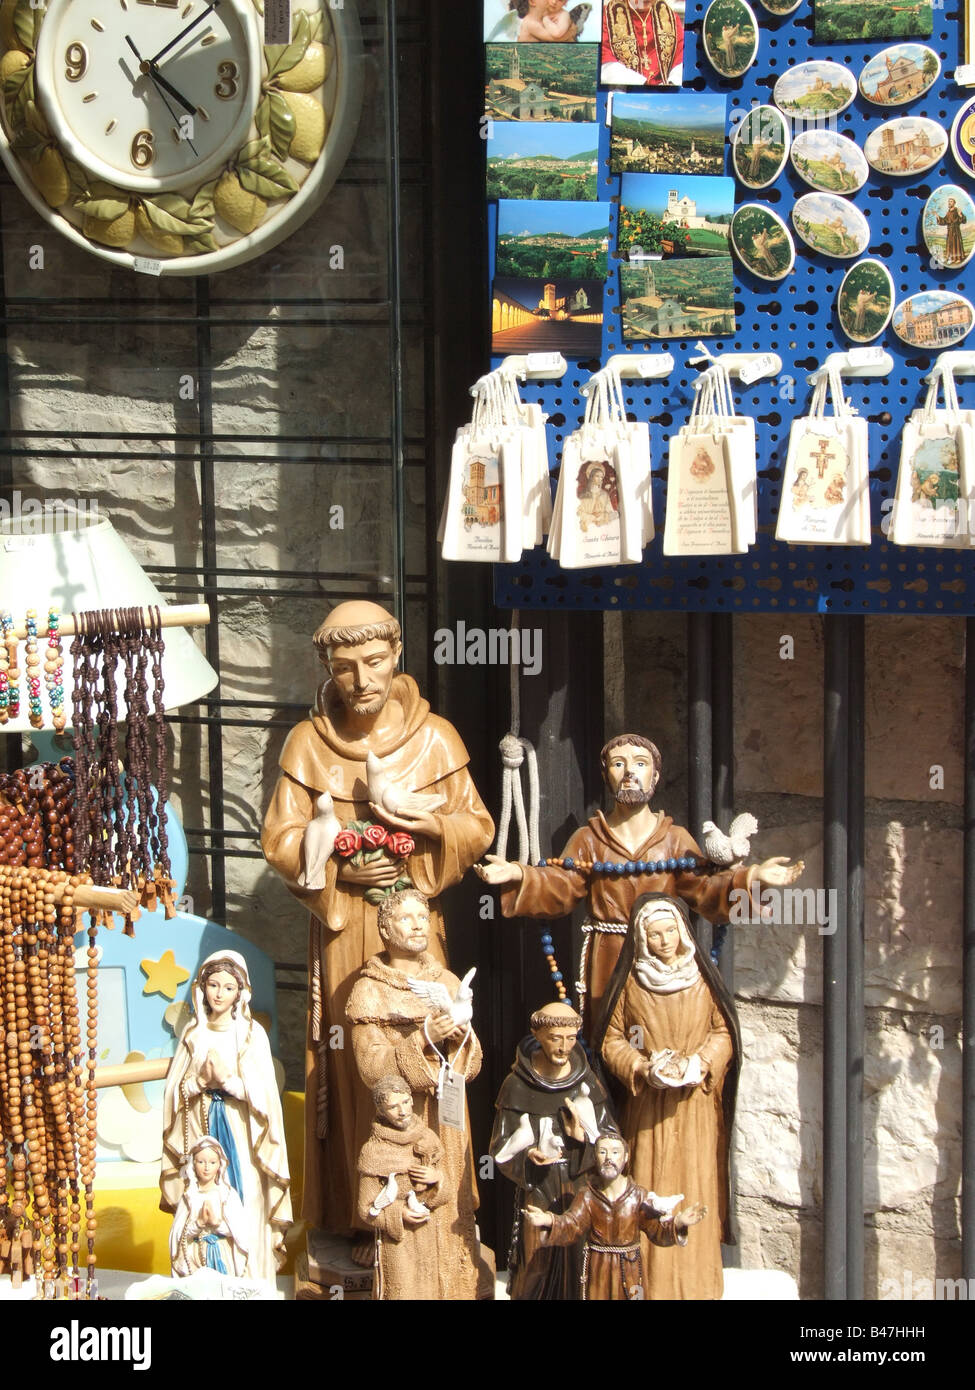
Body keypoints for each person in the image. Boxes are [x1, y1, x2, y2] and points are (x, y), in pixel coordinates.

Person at [261, 600, 493, 1241]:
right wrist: (337, 870)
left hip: (416, 926)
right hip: (343, 931)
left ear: (396, 656)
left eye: (373, 662)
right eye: (344, 668)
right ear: (328, 670)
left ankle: (438, 1204)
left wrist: (427, 833)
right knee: (349, 1052)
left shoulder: (436, 737)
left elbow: (477, 826)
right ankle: (351, 1212)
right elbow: (279, 838)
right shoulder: (307, 745)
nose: (361, 680)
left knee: (428, 1039)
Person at [478, 733, 802, 1029]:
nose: (629, 771)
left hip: (663, 956)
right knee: (609, 1036)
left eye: (640, 763)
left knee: (662, 1032)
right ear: (607, 775)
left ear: (655, 776)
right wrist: (520, 874)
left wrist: (751, 878)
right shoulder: (588, 839)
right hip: (609, 955)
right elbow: (562, 884)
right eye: (619, 764)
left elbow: (705, 889)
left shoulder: (675, 840)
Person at [595, 894, 739, 1299]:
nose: (663, 940)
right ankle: (648, 1285)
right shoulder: (631, 984)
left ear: (682, 932)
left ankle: (697, 1285)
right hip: (648, 1108)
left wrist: (700, 1064)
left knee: (696, 1184)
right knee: (648, 1184)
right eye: (654, 933)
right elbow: (611, 1039)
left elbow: (723, 1031)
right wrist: (643, 1068)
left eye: (670, 931)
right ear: (642, 938)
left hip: (694, 1106)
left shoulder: (702, 980)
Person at [346, 887, 483, 1297]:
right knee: (409, 1208)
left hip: (446, 1117)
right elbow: (371, 1069)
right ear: (385, 929)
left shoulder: (447, 980)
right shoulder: (368, 990)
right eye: (407, 919)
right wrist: (422, 1038)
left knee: (450, 1202)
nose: (419, 924)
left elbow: (471, 1060)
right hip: (401, 1123)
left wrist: (459, 1041)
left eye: (423, 917)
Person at [160, 951, 292, 1283]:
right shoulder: (193, 1035)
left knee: (246, 1201)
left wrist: (232, 1084)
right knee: (200, 1208)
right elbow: (174, 1093)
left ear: (240, 992)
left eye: (228, 987)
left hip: (242, 1134)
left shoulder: (250, 1035)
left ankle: (249, 1283)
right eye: (213, 985)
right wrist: (200, 1083)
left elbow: (266, 1098)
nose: (219, 994)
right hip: (201, 1129)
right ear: (201, 988)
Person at [490, 1001, 616, 1299]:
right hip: (540, 1186)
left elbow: (612, 1141)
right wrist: (528, 1155)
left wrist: (584, 1139)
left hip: (579, 1186)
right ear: (537, 1034)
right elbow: (499, 1147)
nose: (564, 1047)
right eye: (555, 1038)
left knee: (579, 1258)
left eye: (571, 1039)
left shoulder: (586, 1083)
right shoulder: (516, 1086)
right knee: (536, 1260)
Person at [524, 1132, 705, 1299]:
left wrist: (679, 1223)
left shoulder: (638, 1195)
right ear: (595, 1158)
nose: (609, 1158)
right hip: (598, 1270)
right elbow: (572, 1224)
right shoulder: (587, 1195)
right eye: (602, 1152)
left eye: (615, 1152)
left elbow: (657, 1230)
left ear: (625, 1158)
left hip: (631, 1270)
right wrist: (549, 1219)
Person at [356, 1075, 448, 1301]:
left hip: (428, 1235)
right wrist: (400, 1214)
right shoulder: (374, 1151)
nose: (403, 1111)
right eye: (393, 1107)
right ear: (380, 1110)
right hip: (398, 1242)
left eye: (406, 1102)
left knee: (430, 1291)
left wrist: (436, 1178)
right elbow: (366, 1208)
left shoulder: (428, 1137)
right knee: (402, 1292)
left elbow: (446, 1191)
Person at [169, 1137, 250, 1278]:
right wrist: (198, 1224)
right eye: (201, 1162)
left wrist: (217, 1224)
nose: (206, 1167)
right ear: (193, 1164)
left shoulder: (227, 1195)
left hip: (223, 1254)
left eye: (212, 1162)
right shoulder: (189, 1196)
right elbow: (177, 1236)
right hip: (195, 1258)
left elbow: (241, 1234)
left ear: (220, 1164)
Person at [602, 0, 684, 86]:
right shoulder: (607, 16)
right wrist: (641, 84)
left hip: (663, 92)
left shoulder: (669, 16)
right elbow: (605, 60)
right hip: (625, 90)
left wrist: (671, 83)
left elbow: (681, 56)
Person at [936, 196, 966, 265]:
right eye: (949, 201)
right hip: (949, 231)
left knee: (957, 243)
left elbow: (964, 221)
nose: (949, 203)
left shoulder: (957, 210)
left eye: (951, 201)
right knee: (950, 244)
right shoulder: (948, 212)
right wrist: (938, 217)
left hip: (956, 230)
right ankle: (952, 258)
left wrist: (960, 215)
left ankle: (958, 258)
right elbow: (944, 221)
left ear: (954, 203)